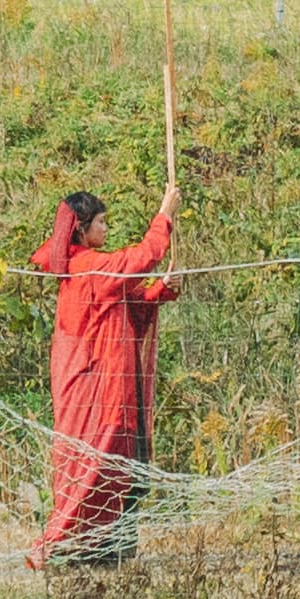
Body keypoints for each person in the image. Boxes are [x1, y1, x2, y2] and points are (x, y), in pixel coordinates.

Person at [35, 184, 183, 566]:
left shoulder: (91, 269)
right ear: (82, 229)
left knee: (113, 462)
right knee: (95, 462)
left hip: (110, 388)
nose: (106, 229)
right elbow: (137, 260)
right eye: (101, 222)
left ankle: (105, 548)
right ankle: (76, 546)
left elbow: (127, 305)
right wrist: (164, 215)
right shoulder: (87, 266)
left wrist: (160, 291)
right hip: (92, 389)